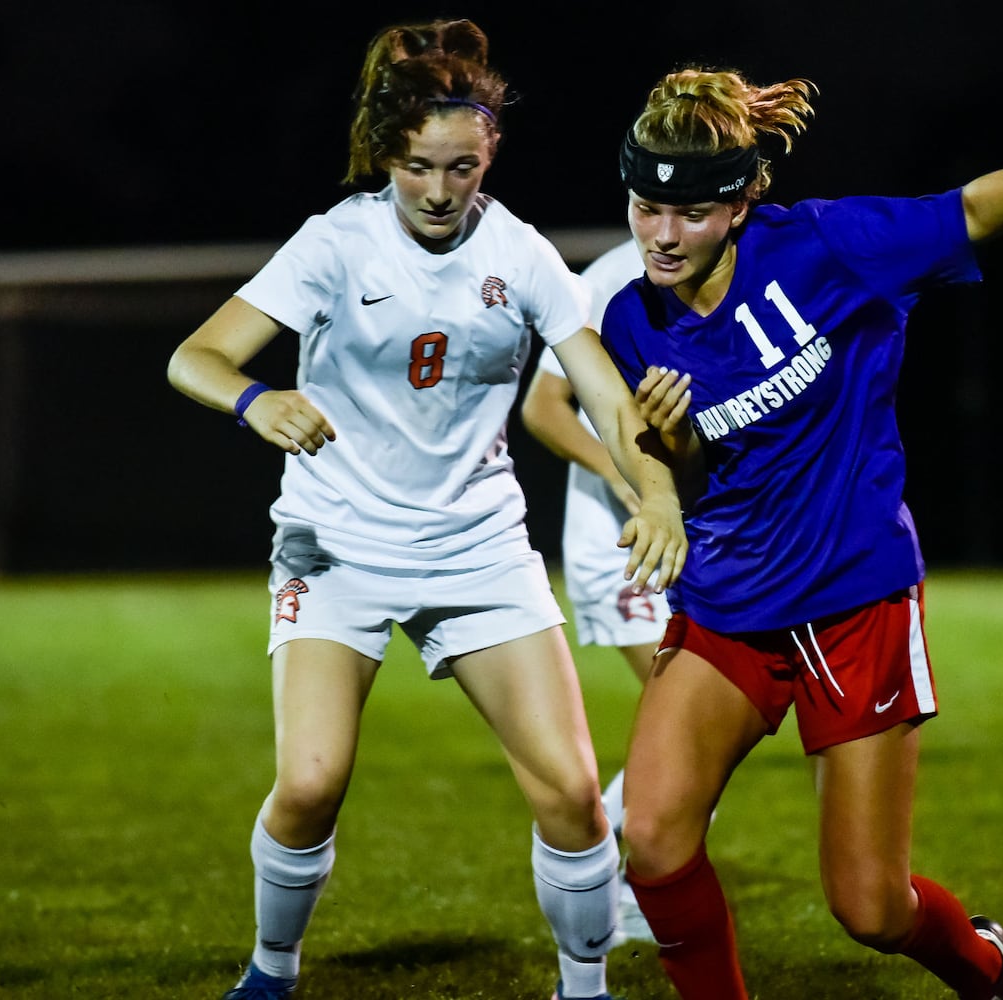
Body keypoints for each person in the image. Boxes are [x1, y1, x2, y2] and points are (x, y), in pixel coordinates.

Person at [166, 19, 687, 1000]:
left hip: (476, 548)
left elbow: (607, 398)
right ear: (385, 156)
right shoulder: (334, 245)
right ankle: (271, 972)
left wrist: (652, 484)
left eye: (461, 167)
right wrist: (255, 398)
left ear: (489, 153)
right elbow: (193, 355)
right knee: (311, 782)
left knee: (574, 794)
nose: (441, 191)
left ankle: (584, 987)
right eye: (417, 167)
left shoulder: (523, 255)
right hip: (337, 545)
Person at [597, 67, 1003, 1000]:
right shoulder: (630, 318)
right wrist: (673, 448)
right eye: (648, 208)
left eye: (689, 213)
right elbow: (678, 470)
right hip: (731, 603)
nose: (662, 234)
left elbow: (967, 211)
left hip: (856, 600)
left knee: (870, 909)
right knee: (651, 840)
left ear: (741, 202)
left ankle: (985, 965)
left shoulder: (830, 247)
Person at [520, 239, 666, 947]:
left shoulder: (743, 266)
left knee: (707, 721)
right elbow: (544, 406)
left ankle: (613, 857)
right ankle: (624, 875)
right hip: (620, 544)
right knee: (682, 710)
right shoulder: (605, 282)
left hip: (706, 535)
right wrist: (615, 473)